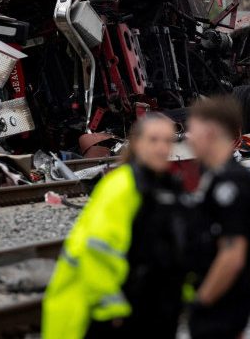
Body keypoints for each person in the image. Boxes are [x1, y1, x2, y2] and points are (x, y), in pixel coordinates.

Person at [42, 114, 186, 339]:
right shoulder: (121, 187)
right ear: (137, 143)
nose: (161, 148)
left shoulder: (167, 187)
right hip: (100, 314)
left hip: (146, 307)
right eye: (153, 140)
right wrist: (112, 310)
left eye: (167, 141)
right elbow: (97, 252)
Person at [185, 95, 250, 339]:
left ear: (209, 132)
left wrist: (201, 301)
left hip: (222, 301)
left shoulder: (231, 184)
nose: (188, 137)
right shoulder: (215, 177)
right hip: (221, 299)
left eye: (192, 130)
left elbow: (232, 255)